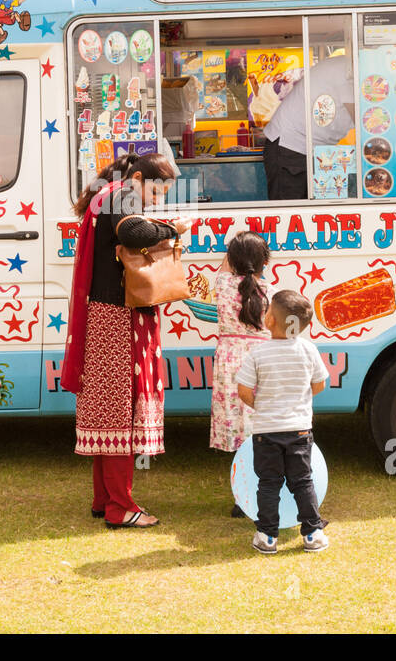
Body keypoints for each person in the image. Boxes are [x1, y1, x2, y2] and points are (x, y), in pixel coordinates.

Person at [62, 153, 193, 528]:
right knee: (121, 412)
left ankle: (104, 500)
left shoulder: (107, 195)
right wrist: (172, 230)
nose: (157, 200)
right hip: (119, 319)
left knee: (107, 409)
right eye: (156, 191)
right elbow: (133, 234)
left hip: (103, 316)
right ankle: (121, 507)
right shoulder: (123, 195)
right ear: (138, 177)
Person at [235, 289, 330, 554]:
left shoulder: (258, 353)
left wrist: (263, 406)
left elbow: (243, 391)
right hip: (299, 429)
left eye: (268, 312)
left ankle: (267, 537)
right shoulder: (309, 350)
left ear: (270, 321)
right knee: (303, 482)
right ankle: (312, 533)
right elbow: (319, 384)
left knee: (268, 483)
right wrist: (297, 401)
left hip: (266, 432)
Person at [210, 232, 272, 513]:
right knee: (261, 430)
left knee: (239, 432)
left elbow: (226, 267)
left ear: (232, 261)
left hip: (229, 362)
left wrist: (234, 247)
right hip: (260, 360)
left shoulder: (222, 284)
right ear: (265, 262)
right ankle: (264, 492)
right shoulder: (269, 291)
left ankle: (241, 497)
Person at [263, 54, 356, 200]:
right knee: (290, 213)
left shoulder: (347, 66)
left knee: (311, 213)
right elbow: (363, 119)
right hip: (291, 146)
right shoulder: (347, 71)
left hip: (314, 150)